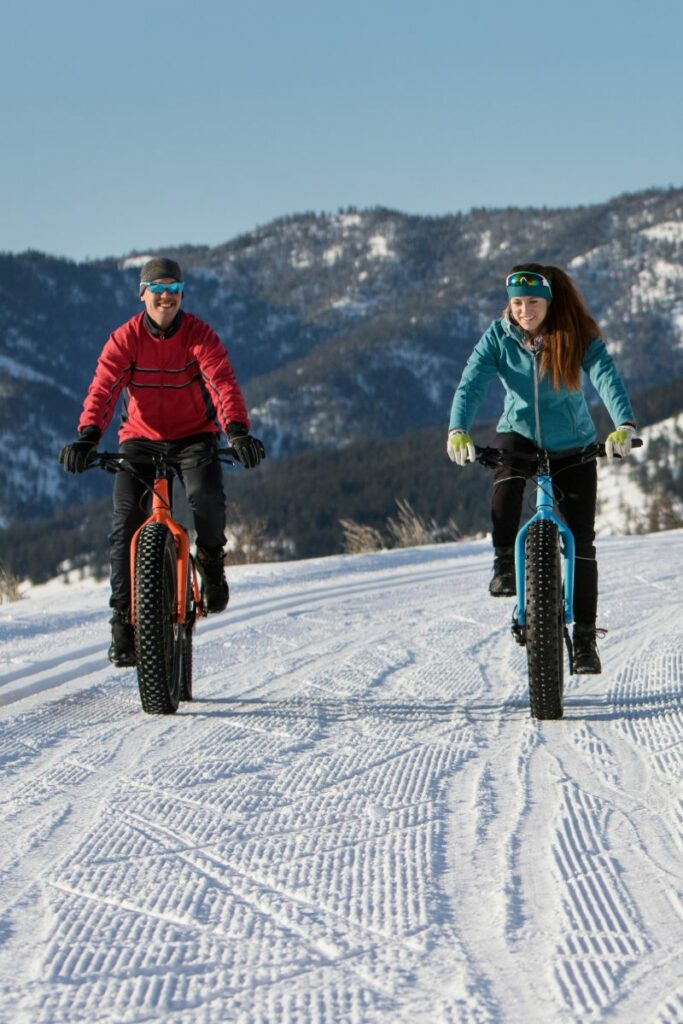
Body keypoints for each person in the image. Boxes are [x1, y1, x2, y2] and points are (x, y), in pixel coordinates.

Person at [59, 257, 265, 667]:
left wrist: (237, 431)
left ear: (182, 295)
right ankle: (122, 620)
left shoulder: (199, 335)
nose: (166, 298)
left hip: (194, 436)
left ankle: (210, 562)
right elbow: (103, 389)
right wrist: (87, 437)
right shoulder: (125, 339)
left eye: (174, 290)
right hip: (140, 440)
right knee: (124, 524)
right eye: (158, 289)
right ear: (143, 295)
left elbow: (221, 382)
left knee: (206, 496)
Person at [446, 264, 636, 674]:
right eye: (517, 303)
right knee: (506, 479)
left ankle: (584, 640)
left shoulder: (575, 335)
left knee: (582, 543)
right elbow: (471, 382)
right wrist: (457, 430)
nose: (524, 311)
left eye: (532, 302)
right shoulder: (499, 337)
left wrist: (624, 425)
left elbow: (606, 376)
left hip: (574, 444)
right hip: (519, 435)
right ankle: (502, 563)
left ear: (549, 302)